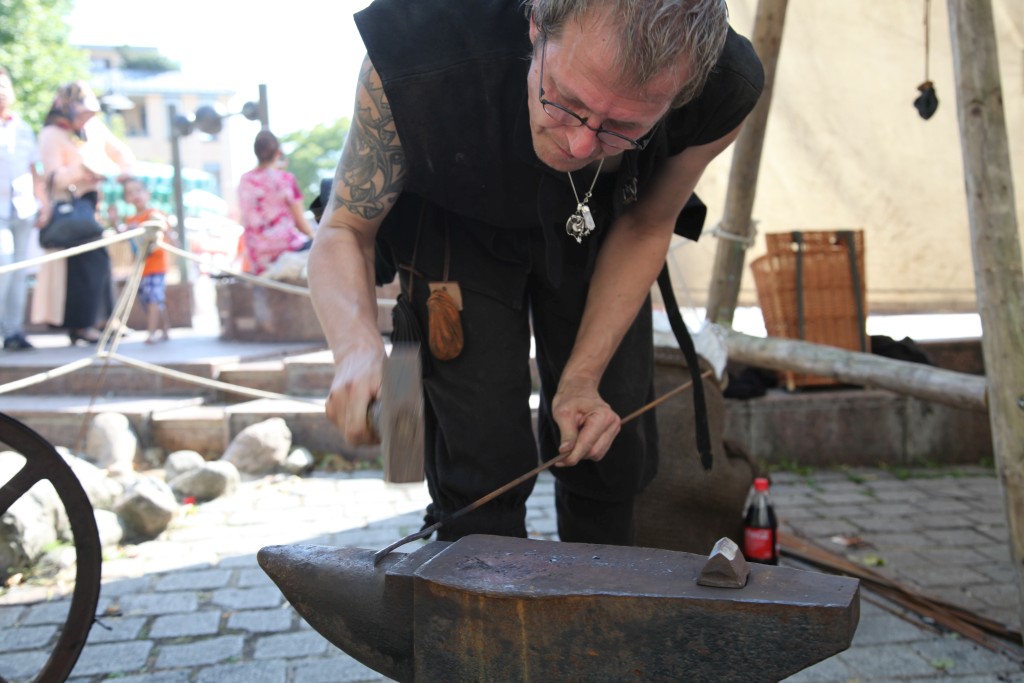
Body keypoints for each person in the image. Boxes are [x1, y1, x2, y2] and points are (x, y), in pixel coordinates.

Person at [308, 0, 764, 546]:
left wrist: (582, 379)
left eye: (624, 127)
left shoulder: (725, 85)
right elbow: (344, 228)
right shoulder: (417, 42)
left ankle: (600, 588)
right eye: (566, 102)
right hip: (455, 232)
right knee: (480, 466)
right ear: (535, 25)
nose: (580, 145)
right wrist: (355, 348)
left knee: (607, 448)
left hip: (603, 227)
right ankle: (473, 583)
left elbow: (648, 225)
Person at [34, 80, 134, 345]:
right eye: (81, 112)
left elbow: (121, 153)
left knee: (100, 263)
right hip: (70, 208)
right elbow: (54, 178)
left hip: (92, 207)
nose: (86, 117)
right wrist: (84, 171)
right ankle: (82, 325)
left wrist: (124, 173)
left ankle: (103, 320)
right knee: (82, 266)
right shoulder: (52, 133)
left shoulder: (93, 128)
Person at [0, 66, 42, 351]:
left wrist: (43, 202)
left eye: (4, 87)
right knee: (4, 264)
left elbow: (33, 168)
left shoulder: (23, 128)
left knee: (19, 271)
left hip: (23, 208)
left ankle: (13, 331)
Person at [237, 130, 314, 275]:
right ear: (278, 153)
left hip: (257, 258)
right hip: (286, 250)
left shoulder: (244, 180)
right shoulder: (285, 179)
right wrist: (315, 237)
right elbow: (302, 225)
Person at [121, 176, 174, 343]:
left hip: (156, 266)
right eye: (130, 193)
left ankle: (151, 333)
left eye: (138, 191)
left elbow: (164, 228)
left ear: (147, 193)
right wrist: (115, 221)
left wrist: (171, 236)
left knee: (153, 299)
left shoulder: (153, 215)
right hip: (141, 268)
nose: (135, 195)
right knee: (151, 300)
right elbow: (125, 240)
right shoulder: (130, 221)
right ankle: (165, 328)